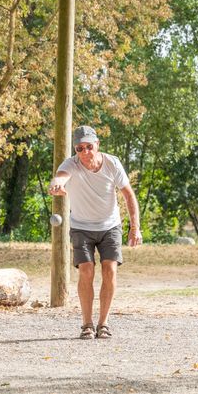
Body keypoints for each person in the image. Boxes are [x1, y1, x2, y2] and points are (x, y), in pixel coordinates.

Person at [48, 125, 142, 340]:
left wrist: (135, 228)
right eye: (79, 148)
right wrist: (56, 184)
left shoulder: (112, 163)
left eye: (89, 147)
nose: (85, 152)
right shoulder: (70, 164)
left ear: (97, 145)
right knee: (86, 270)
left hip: (110, 226)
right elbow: (61, 177)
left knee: (109, 270)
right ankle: (87, 324)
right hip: (81, 226)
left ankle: (104, 323)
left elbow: (128, 195)